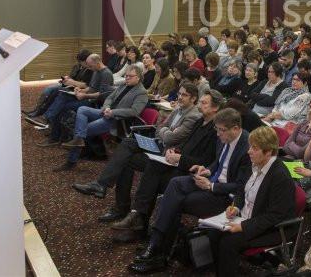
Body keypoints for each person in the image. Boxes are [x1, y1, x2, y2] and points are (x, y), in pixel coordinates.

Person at [128, 108, 251, 273]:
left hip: (226, 196)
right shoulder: (223, 137)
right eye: (217, 130)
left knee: (176, 202)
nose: (218, 135)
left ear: (236, 128)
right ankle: (156, 245)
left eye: (221, 130)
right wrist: (206, 169)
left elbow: (242, 186)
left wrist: (211, 186)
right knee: (175, 184)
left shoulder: (248, 148)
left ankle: (158, 251)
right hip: (210, 181)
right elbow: (218, 162)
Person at [71, 82, 201, 220]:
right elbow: (159, 128)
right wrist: (165, 131)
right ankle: (110, 196)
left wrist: (165, 131)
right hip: (159, 145)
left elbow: (170, 138)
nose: (180, 97)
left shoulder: (193, 116)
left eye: (184, 95)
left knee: (125, 158)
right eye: (179, 94)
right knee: (127, 147)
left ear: (193, 99)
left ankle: (106, 192)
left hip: (168, 156)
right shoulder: (178, 110)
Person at [111, 90, 225, 241]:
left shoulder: (216, 130)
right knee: (148, 165)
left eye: (204, 103)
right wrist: (175, 150)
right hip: (179, 165)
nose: (199, 105)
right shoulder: (199, 122)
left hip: (191, 172)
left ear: (215, 108)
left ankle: (139, 221)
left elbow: (207, 161)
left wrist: (180, 157)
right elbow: (185, 145)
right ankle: (137, 218)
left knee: (152, 177)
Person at [202, 126, 296, 277]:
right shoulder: (255, 164)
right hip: (247, 217)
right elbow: (241, 191)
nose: (249, 151)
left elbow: (275, 215)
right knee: (213, 233)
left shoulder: (280, 176)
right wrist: (236, 208)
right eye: (250, 147)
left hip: (270, 228)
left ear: (269, 152)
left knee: (229, 242)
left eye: (254, 148)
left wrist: (243, 226)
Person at [54, 65, 148, 171]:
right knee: (82, 109)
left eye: (130, 76)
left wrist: (112, 112)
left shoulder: (142, 92)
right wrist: (106, 107)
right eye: (126, 76)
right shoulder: (124, 85)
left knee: (81, 131)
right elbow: (110, 98)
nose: (126, 78)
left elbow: (134, 111)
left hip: (117, 120)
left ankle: (71, 160)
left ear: (138, 77)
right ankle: (78, 140)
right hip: (106, 112)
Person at [38, 53, 114, 147]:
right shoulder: (96, 71)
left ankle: (54, 132)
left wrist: (84, 96)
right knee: (62, 97)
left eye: (90, 66)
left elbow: (102, 95)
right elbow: (91, 88)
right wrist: (81, 90)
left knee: (62, 107)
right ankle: (56, 132)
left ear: (97, 63)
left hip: (94, 102)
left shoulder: (106, 74)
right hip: (88, 97)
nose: (89, 68)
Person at [25, 48, 92, 118]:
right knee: (48, 90)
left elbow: (86, 85)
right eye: (79, 62)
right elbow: (72, 77)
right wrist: (67, 79)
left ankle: (43, 114)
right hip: (70, 86)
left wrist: (73, 82)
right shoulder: (78, 66)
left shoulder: (91, 69)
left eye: (81, 62)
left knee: (54, 91)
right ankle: (38, 111)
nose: (80, 63)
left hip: (75, 88)